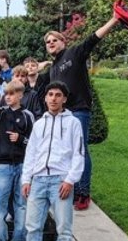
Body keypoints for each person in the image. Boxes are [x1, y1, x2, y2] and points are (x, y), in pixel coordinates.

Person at [42, 12, 120, 210]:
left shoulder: (74, 53)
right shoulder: (54, 67)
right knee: (67, 153)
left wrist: (113, 19)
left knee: (80, 150)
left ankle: (83, 193)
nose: (50, 43)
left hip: (79, 111)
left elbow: (94, 38)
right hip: (62, 115)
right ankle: (73, 190)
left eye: (54, 40)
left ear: (63, 41)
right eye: (47, 42)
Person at [22, 82, 84, 241]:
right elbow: (31, 153)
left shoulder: (73, 123)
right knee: (32, 227)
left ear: (64, 99)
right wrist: (26, 179)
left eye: (58, 95)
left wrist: (70, 180)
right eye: (50, 95)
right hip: (38, 180)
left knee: (64, 228)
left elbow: (79, 154)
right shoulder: (39, 124)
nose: (53, 98)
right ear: (45, 98)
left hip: (61, 181)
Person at [0, 81, 35, 241]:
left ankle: (18, 240)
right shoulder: (0, 113)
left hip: (23, 165)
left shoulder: (28, 115)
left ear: (20, 95)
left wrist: (21, 139)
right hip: (2, 164)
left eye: (11, 94)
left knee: (21, 204)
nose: (8, 97)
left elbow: (35, 143)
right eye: (6, 94)